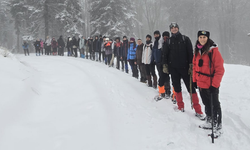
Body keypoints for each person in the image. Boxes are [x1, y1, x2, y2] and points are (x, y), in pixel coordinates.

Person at [163, 22, 205, 119]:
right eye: (172, 28)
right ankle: (180, 106)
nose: (174, 29)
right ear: (170, 30)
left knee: (191, 89)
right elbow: (165, 54)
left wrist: (191, 65)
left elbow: (190, 52)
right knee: (177, 88)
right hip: (173, 69)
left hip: (185, 68)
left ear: (178, 28)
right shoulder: (168, 41)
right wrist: (165, 65)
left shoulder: (185, 39)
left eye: (175, 27)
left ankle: (198, 110)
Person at [193, 31, 224, 135]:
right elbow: (195, 66)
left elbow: (220, 70)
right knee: (206, 103)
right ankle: (210, 121)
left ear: (208, 38)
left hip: (211, 84)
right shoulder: (197, 50)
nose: (202, 39)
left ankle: (217, 126)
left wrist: (214, 85)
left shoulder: (213, 51)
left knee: (215, 104)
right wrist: (194, 80)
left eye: (204, 37)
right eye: (200, 37)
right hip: (201, 83)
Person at [155, 31, 172, 100]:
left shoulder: (170, 42)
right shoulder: (160, 43)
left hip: (169, 63)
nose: (165, 37)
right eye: (164, 36)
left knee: (167, 78)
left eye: (167, 36)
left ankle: (168, 92)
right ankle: (162, 92)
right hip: (161, 63)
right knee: (161, 78)